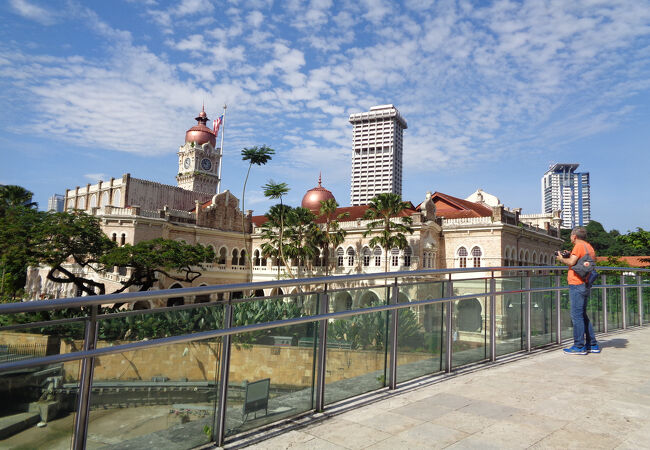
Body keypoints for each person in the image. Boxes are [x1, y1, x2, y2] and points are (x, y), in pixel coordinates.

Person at [556, 226, 600, 355]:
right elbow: (581, 261)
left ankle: (579, 345)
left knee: (576, 316)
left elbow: (572, 262)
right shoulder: (589, 247)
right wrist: (570, 255)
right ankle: (592, 344)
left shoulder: (578, 246)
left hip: (577, 283)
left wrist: (561, 258)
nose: (570, 238)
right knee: (582, 315)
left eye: (570, 236)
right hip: (585, 283)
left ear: (574, 236)